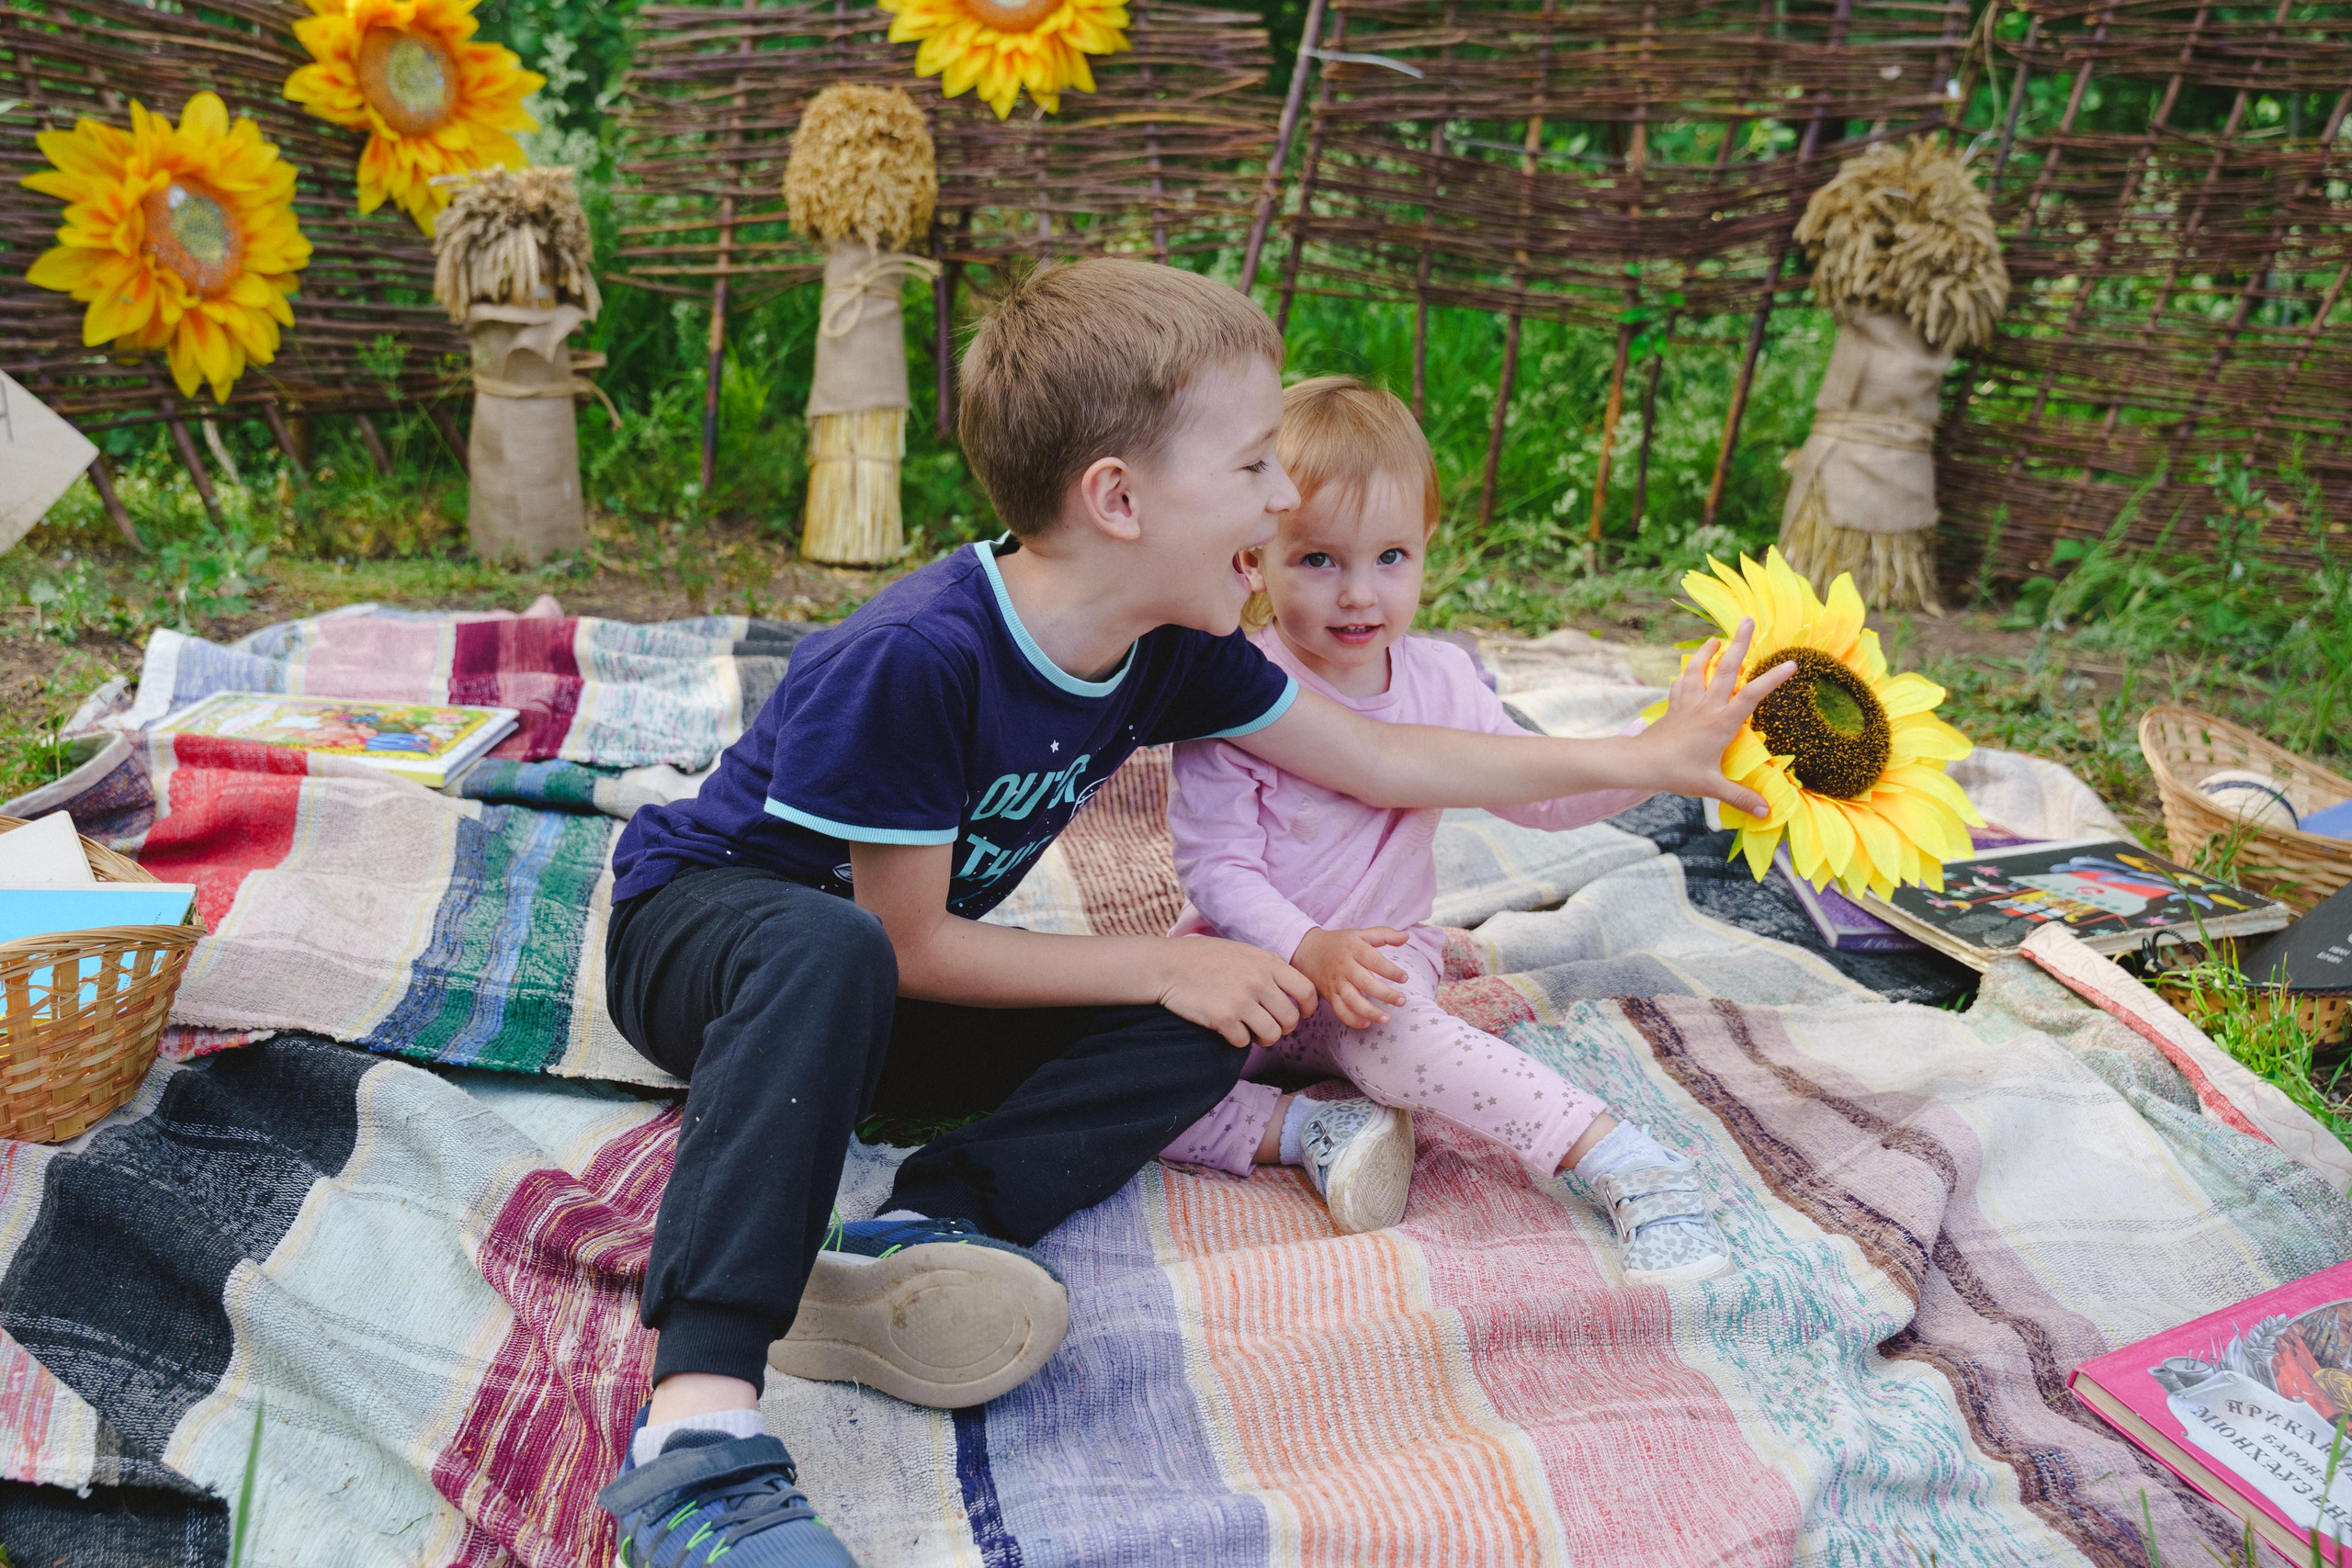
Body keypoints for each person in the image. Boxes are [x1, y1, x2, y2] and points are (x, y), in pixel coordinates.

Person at [594, 262, 1793, 1568]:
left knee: (1236, 992)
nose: (1286, 499)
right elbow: (909, 943)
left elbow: (1386, 759)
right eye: (1255, 466)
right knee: (922, 948)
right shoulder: (913, 658)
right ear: (1117, 497)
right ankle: (697, 1434)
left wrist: (1644, 756)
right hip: (717, 952)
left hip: (882, 1002)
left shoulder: (1170, 642)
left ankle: (931, 1223)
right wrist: (1156, 956)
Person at [1157, 375, 1743, 1279]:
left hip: (1386, 961)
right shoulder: (1234, 686)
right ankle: (1311, 1129)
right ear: (1255, 559)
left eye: (1390, 557)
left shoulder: (1441, 683)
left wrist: (1654, 745)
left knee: (1401, 1048)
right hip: (1249, 964)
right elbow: (1216, 867)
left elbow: (1538, 797)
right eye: (1317, 561)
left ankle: (1620, 1156)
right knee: (1120, 1071)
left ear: (1427, 548)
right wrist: (1305, 946)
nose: (1360, 595)